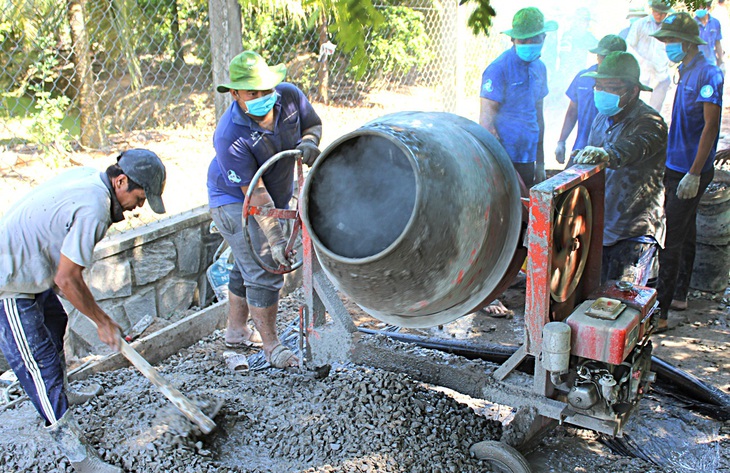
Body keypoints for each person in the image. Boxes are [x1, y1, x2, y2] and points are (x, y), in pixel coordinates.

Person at [0, 149, 167, 473]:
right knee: (39, 365)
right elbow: (67, 277)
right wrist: (102, 322)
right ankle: (80, 459)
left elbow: (64, 274)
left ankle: (60, 393)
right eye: (140, 195)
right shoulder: (95, 207)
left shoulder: (92, 182)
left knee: (55, 318)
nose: (139, 206)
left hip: (31, 269)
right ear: (121, 181)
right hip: (8, 279)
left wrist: (99, 316)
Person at [207, 51, 322, 366]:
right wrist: (276, 240)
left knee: (244, 263)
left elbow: (312, 124)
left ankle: (235, 331)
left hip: (274, 193)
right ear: (235, 94)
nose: (261, 97)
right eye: (251, 93)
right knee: (263, 266)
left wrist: (310, 142)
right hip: (234, 199)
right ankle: (272, 347)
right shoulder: (230, 134)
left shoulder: (289, 97)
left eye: (265, 89)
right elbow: (256, 197)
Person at [649, 13, 724, 331]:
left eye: (671, 41)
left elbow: (711, 126)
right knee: (686, 230)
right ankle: (679, 294)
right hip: (676, 163)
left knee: (673, 239)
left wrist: (695, 173)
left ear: (687, 42)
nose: (667, 46)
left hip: (689, 170)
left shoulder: (708, 74)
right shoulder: (685, 70)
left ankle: (661, 313)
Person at [572, 52, 668, 286]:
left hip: (635, 232)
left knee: (627, 306)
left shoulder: (650, 122)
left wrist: (609, 154)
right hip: (605, 225)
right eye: (599, 86)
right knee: (601, 300)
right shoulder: (602, 118)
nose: (603, 93)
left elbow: (634, 147)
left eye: (612, 87)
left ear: (633, 91)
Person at [479, 6, 557, 188]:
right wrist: (505, 167)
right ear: (513, 39)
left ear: (543, 38)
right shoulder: (498, 69)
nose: (529, 43)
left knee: (526, 212)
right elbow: (486, 124)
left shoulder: (540, 68)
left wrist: (541, 163)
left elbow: (539, 117)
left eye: (535, 39)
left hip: (528, 154)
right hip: (504, 157)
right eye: (523, 40)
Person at [555, 35, 627, 167]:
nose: (605, 61)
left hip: (609, 154)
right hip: (581, 149)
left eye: (610, 58)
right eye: (602, 56)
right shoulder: (584, 77)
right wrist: (561, 141)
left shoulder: (625, 84)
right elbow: (572, 111)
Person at [627, 0, 673, 114]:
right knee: (636, 109)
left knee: (654, 111)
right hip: (641, 76)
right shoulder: (640, 24)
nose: (659, 15)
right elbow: (630, 47)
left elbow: (671, 51)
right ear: (652, 10)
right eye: (657, 12)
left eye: (663, 13)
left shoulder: (669, 28)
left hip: (660, 76)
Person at [695, 1, 725, 67]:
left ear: (708, 8)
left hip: (711, 62)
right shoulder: (692, 24)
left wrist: (721, 60)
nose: (699, 9)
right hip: (696, 64)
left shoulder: (715, 23)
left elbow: (717, 43)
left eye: (701, 7)